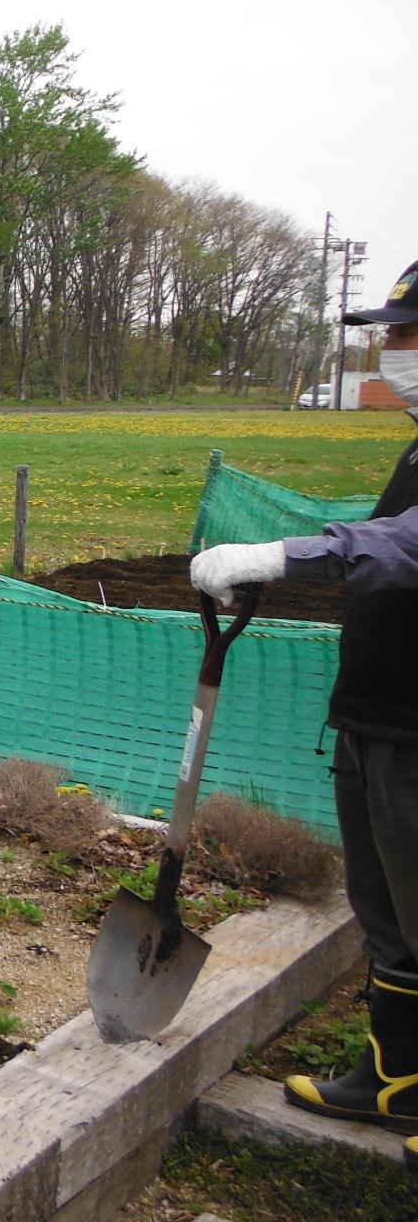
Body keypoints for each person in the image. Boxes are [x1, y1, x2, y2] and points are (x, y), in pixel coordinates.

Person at [191, 257, 418, 1170]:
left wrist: (288, 556)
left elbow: (407, 549)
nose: (390, 351)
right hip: (378, 718)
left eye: (405, 334)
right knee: (387, 915)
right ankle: (396, 1079)